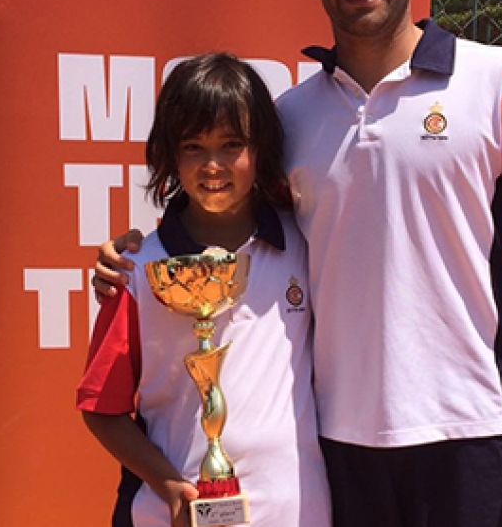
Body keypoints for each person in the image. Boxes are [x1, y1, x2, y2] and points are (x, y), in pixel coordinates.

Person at [93, 0, 502, 525]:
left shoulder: (499, 80)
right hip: (335, 445)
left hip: (469, 430)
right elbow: (212, 216)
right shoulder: (288, 119)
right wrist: (132, 255)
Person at [77, 52, 331, 527]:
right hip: (174, 513)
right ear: (169, 155)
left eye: (232, 144)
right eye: (193, 146)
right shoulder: (136, 270)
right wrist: (169, 486)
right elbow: (101, 406)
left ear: (263, 150)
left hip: (296, 510)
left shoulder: (306, 244)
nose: (213, 165)